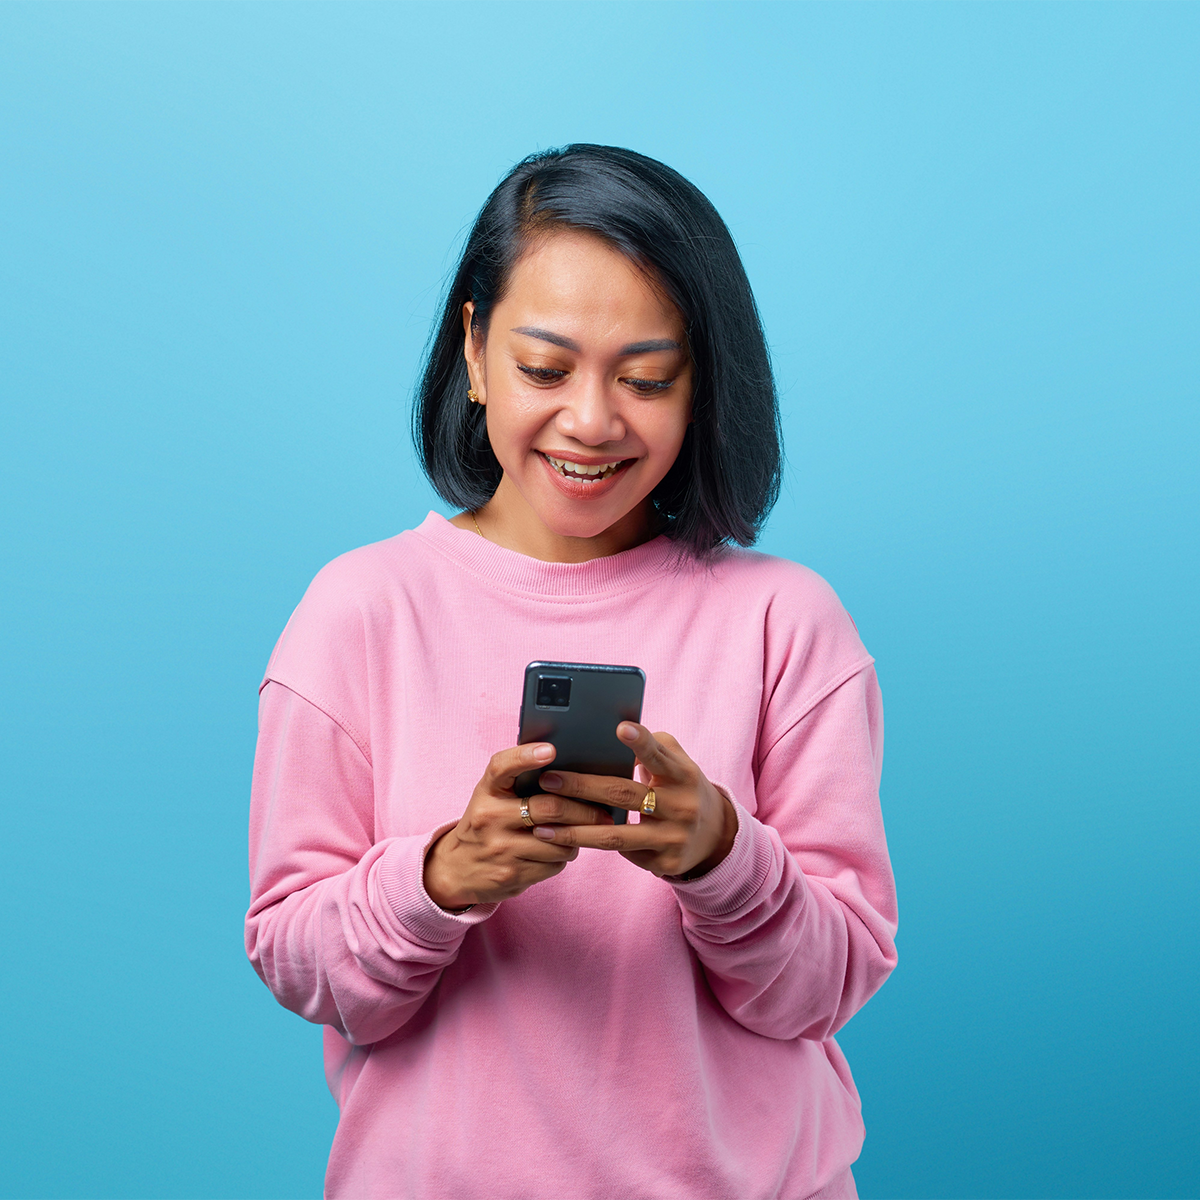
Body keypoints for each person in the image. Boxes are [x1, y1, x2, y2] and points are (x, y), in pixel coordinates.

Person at [245, 144, 897, 1200]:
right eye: (545, 370)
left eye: (647, 379)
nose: (591, 421)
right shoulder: (359, 613)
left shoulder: (788, 622)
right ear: (473, 351)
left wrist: (723, 859)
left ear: (704, 383)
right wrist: (437, 881)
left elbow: (826, 988)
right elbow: (294, 958)